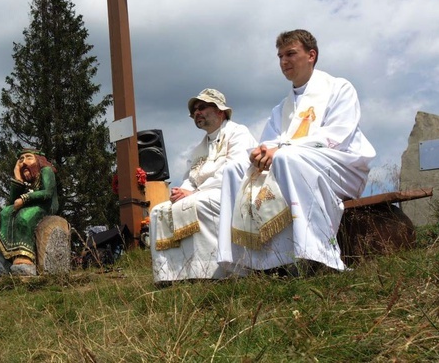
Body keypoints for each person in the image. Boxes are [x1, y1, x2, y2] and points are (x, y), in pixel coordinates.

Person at [218, 29, 375, 275]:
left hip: (342, 166)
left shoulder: (338, 88)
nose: (283, 61)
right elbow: (269, 143)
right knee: (233, 169)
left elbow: (337, 135)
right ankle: (247, 264)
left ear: (311, 55)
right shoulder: (281, 108)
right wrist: (259, 154)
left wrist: (280, 149)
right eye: (280, 56)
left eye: (291, 54)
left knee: (286, 157)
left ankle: (317, 258)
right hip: (291, 163)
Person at [150, 89, 257, 282]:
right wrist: (181, 191)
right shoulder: (198, 148)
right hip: (202, 193)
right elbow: (190, 178)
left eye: (202, 107)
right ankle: (171, 276)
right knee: (159, 211)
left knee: (197, 204)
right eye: (194, 111)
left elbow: (235, 169)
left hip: (233, 192)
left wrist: (194, 192)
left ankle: (216, 272)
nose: (197, 113)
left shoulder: (238, 133)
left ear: (220, 111)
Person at [0, 148, 58, 276]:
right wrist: (17, 176)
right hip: (31, 204)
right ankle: (7, 255)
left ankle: (25, 258)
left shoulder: (46, 171)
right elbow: (12, 201)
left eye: (29, 158)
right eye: (21, 160)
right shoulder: (28, 177)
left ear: (38, 160)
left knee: (24, 217)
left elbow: (47, 193)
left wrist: (25, 198)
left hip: (46, 206)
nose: (24, 162)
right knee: (5, 212)